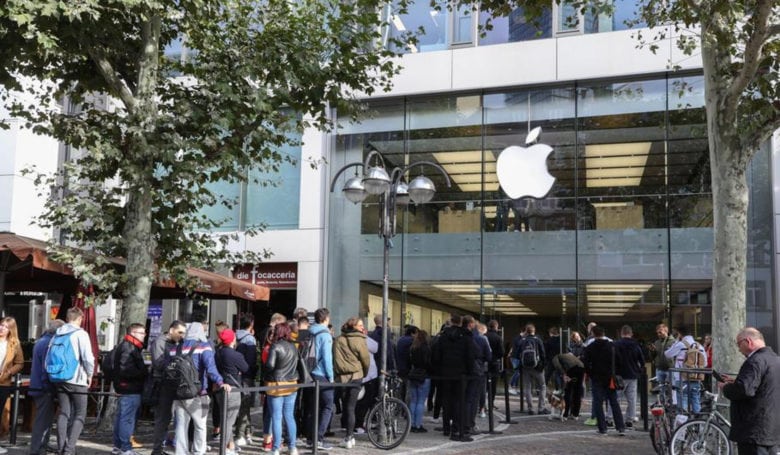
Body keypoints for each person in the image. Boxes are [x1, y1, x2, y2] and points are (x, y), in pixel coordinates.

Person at [169, 322, 230, 455]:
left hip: (178, 392)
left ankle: (181, 452)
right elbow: (211, 369)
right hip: (197, 392)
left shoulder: (175, 348)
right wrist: (220, 382)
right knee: (200, 425)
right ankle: (198, 451)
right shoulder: (203, 347)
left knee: (181, 425)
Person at [717, 327, 780, 455]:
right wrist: (736, 381)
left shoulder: (755, 361)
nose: (739, 349)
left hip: (753, 428)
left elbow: (744, 390)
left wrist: (726, 387)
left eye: (739, 344)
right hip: (772, 428)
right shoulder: (775, 359)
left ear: (748, 341)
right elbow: (764, 385)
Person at [49, 307, 95, 455]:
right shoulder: (81, 334)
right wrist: (90, 374)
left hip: (58, 377)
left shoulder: (57, 334)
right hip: (77, 379)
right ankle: (69, 450)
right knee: (80, 414)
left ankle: (61, 447)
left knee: (64, 412)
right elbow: (88, 358)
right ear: (80, 318)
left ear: (67, 318)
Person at [431, 315, 475, 442]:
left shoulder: (443, 336)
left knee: (446, 400)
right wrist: (470, 371)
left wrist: (439, 369)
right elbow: (470, 356)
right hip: (461, 373)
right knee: (459, 401)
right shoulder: (466, 336)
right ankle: (456, 428)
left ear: (451, 322)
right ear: (461, 322)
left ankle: (446, 428)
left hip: (445, 372)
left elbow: (437, 355)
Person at [150, 321, 186, 455]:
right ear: (171, 330)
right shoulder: (160, 342)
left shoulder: (177, 343)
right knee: (163, 418)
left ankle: (162, 447)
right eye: (180, 332)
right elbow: (158, 363)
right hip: (162, 383)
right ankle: (157, 450)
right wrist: (175, 362)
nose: (182, 335)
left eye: (184, 333)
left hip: (173, 383)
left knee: (170, 418)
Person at [333, 317, 370, 449]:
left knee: (347, 407)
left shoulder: (338, 340)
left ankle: (349, 437)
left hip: (343, 377)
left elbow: (336, 359)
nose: (362, 327)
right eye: (360, 325)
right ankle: (350, 436)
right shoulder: (360, 340)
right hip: (357, 375)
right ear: (353, 326)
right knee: (351, 407)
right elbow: (366, 360)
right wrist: (363, 373)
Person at [111, 323, 148, 455]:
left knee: (122, 417)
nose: (144, 335)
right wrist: (143, 372)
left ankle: (118, 446)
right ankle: (125, 447)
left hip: (125, 387)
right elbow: (125, 369)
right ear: (133, 333)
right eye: (141, 333)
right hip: (130, 387)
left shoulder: (127, 346)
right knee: (127, 418)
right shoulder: (129, 347)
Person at [29, 319, 64, 455]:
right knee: (43, 420)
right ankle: (38, 449)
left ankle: (41, 446)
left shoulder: (41, 341)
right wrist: (49, 387)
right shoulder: (48, 343)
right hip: (43, 387)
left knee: (43, 419)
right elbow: (46, 368)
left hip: (37, 385)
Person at [583, 325, 626, 436]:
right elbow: (620, 361)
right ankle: (620, 427)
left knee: (598, 403)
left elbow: (586, 363)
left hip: (597, 378)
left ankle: (602, 428)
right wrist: (615, 372)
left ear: (593, 334)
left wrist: (591, 374)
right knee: (614, 402)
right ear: (603, 333)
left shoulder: (590, 347)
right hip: (610, 378)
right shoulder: (612, 346)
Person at [264, 323, 300, 455]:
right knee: (289, 416)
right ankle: (292, 447)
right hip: (292, 384)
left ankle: (276, 448)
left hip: (276, 385)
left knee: (277, 417)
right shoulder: (294, 346)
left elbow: (270, 365)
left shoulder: (275, 346)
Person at [215, 328, 248, 455]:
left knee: (225, 418)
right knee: (229, 420)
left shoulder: (217, 352)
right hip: (232, 389)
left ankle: (230, 445)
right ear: (232, 340)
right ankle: (225, 449)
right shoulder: (235, 355)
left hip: (220, 388)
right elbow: (245, 368)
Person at [259, 313, 287, 452]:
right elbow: (268, 367)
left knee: (271, 412)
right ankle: (271, 440)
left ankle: (269, 439)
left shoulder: (268, 345)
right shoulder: (271, 348)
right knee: (273, 413)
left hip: (270, 381)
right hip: (273, 382)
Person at [308, 308, 335, 450]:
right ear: (326, 319)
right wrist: (331, 377)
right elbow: (327, 358)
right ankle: (318, 438)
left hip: (310, 372)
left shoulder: (310, 331)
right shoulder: (325, 334)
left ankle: (310, 438)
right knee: (328, 406)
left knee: (314, 406)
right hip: (321, 373)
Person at [664, 324, 705, 413]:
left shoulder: (680, 344)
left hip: (682, 378)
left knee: (683, 404)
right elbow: (704, 363)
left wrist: (676, 341)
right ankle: (697, 420)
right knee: (695, 400)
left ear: (679, 334)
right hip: (696, 378)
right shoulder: (699, 346)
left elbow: (667, 354)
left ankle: (684, 421)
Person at [614, 325, 644, 428]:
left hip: (619, 375)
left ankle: (611, 418)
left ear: (621, 333)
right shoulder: (635, 345)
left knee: (615, 398)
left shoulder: (616, 344)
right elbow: (642, 360)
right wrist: (639, 370)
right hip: (632, 375)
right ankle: (630, 419)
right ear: (631, 334)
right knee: (632, 399)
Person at [233, 315, 257, 447]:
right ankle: (240, 434)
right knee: (245, 405)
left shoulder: (234, 336)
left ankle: (248, 432)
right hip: (246, 375)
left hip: (235, 375)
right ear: (251, 324)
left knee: (243, 405)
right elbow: (251, 360)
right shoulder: (250, 339)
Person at [0, 317, 24, 438]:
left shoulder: (14, 343)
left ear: (11, 329)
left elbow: (20, 363)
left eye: (6, 327)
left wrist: (9, 372)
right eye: (1, 325)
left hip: (3, 382)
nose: (2, 328)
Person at [519, 323, 549, 415]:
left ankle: (530, 409)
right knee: (542, 386)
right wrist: (543, 366)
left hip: (525, 368)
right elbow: (543, 354)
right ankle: (541, 408)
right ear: (534, 331)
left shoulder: (522, 341)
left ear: (526, 331)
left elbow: (517, 354)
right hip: (537, 367)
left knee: (528, 387)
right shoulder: (538, 340)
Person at [408, 329, 432, 433]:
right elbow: (428, 363)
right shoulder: (426, 348)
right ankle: (418, 424)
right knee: (421, 401)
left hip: (413, 374)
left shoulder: (413, 348)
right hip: (424, 375)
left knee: (413, 400)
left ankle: (411, 423)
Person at [552, 352, 584, 420]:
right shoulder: (566, 355)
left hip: (572, 369)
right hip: (581, 368)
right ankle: (575, 415)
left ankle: (565, 414)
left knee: (568, 391)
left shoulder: (555, 357)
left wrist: (563, 374)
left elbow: (557, 366)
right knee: (577, 392)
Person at [648, 323, 676, 396]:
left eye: (660, 332)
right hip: (660, 369)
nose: (658, 334)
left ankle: (671, 402)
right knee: (660, 390)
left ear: (666, 331)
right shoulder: (657, 342)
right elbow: (652, 357)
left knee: (671, 389)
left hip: (670, 369)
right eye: (657, 333)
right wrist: (652, 351)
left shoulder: (673, 342)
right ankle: (662, 402)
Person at [485, 320, 504, 409]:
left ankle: (482, 404)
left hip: (485, 363)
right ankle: (491, 403)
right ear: (496, 327)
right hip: (494, 363)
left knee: (484, 383)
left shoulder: (484, 336)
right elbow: (501, 352)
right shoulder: (498, 338)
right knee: (493, 385)